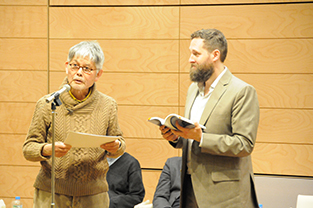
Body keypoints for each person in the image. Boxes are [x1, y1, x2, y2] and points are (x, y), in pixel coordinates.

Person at [159, 29, 260, 207]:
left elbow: (244, 144)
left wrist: (201, 138)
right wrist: (176, 137)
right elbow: (192, 139)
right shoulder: (193, 90)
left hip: (225, 196)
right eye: (190, 53)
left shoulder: (241, 91)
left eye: (196, 54)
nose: (190, 59)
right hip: (190, 189)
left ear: (215, 55)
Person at [23, 41, 126, 208]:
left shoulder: (108, 105)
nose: (79, 73)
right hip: (52, 192)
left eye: (87, 69)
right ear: (66, 67)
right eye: (74, 66)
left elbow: (120, 144)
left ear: (98, 74)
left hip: (93, 195)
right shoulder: (48, 103)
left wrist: (116, 146)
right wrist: (46, 149)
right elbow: (28, 149)